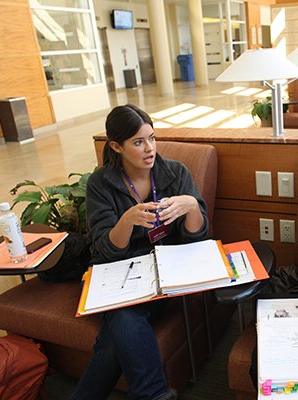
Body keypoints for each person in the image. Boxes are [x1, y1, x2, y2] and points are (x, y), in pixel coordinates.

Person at [72, 104, 208, 400]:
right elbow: (104, 249)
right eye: (138, 142)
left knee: (116, 332)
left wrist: (192, 207)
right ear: (115, 146)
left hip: (161, 272)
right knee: (121, 324)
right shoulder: (100, 183)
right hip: (115, 272)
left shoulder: (174, 173)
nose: (150, 149)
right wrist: (126, 221)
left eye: (152, 138)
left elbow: (197, 237)